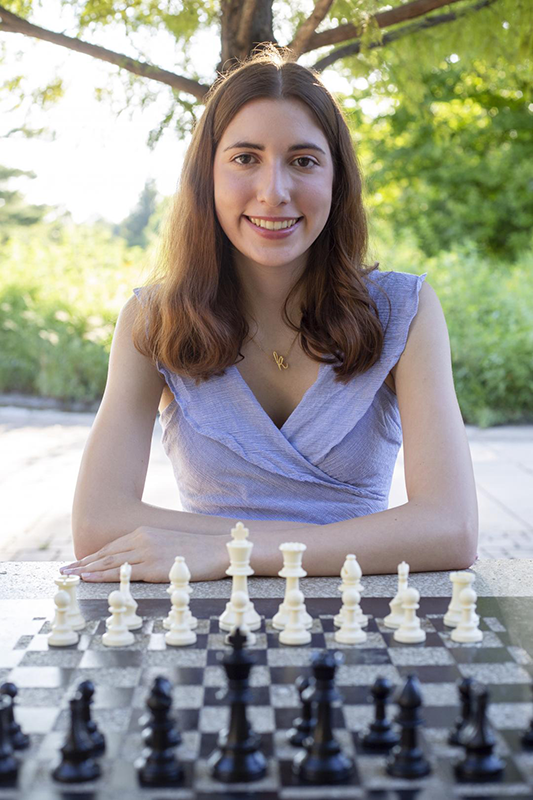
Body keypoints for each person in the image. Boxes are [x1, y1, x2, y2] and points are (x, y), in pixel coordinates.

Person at [65, 45, 478, 584]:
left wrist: (237, 553)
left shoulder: (406, 310)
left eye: (303, 161)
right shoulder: (153, 319)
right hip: (212, 623)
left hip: (356, 616)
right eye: (245, 158)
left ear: (337, 180)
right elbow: (98, 524)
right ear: (206, 177)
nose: (274, 191)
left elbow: (451, 528)